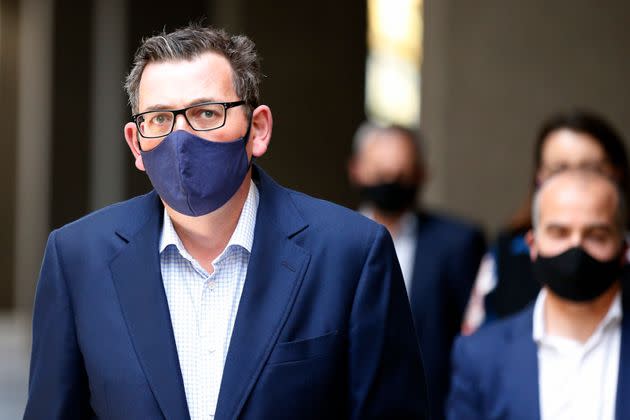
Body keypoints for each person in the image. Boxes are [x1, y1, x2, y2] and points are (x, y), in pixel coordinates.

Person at [24, 24, 429, 419]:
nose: (180, 138)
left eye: (205, 113)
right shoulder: (77, 258)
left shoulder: (351, 254)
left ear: (258, 129)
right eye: (160, 118)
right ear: (136, 142)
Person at [448, 169, 630, 420]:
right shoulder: (479, 357)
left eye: (596, 236)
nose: (575, 248)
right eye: (559, 233)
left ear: (624, 250)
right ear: (532, 245)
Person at [348, 121, 485, 420]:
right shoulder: (333, 239)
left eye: (401, 173)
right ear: (356, 170)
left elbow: (474, 339)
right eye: (381, 172)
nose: (391, 181)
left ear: (422, 174)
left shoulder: (458, 243)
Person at [462, 110, 630, 334]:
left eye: (592, 169)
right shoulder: (505, 254)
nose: (574, 181)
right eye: (560, 169)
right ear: (539, 176)